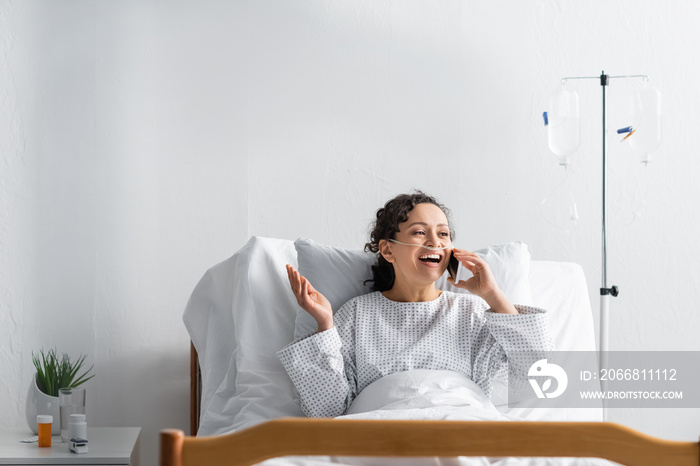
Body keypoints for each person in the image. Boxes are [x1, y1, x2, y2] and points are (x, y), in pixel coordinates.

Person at [277, 191, 553, 418]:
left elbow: (537, 377)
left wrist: (494, 295)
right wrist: (324, 325)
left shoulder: (473, 312)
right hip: (383, 431)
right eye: (420, 232)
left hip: (464, 424)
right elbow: (327, 411)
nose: (435, 242)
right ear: (387, 250)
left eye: (443, 234)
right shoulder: (357, 314)